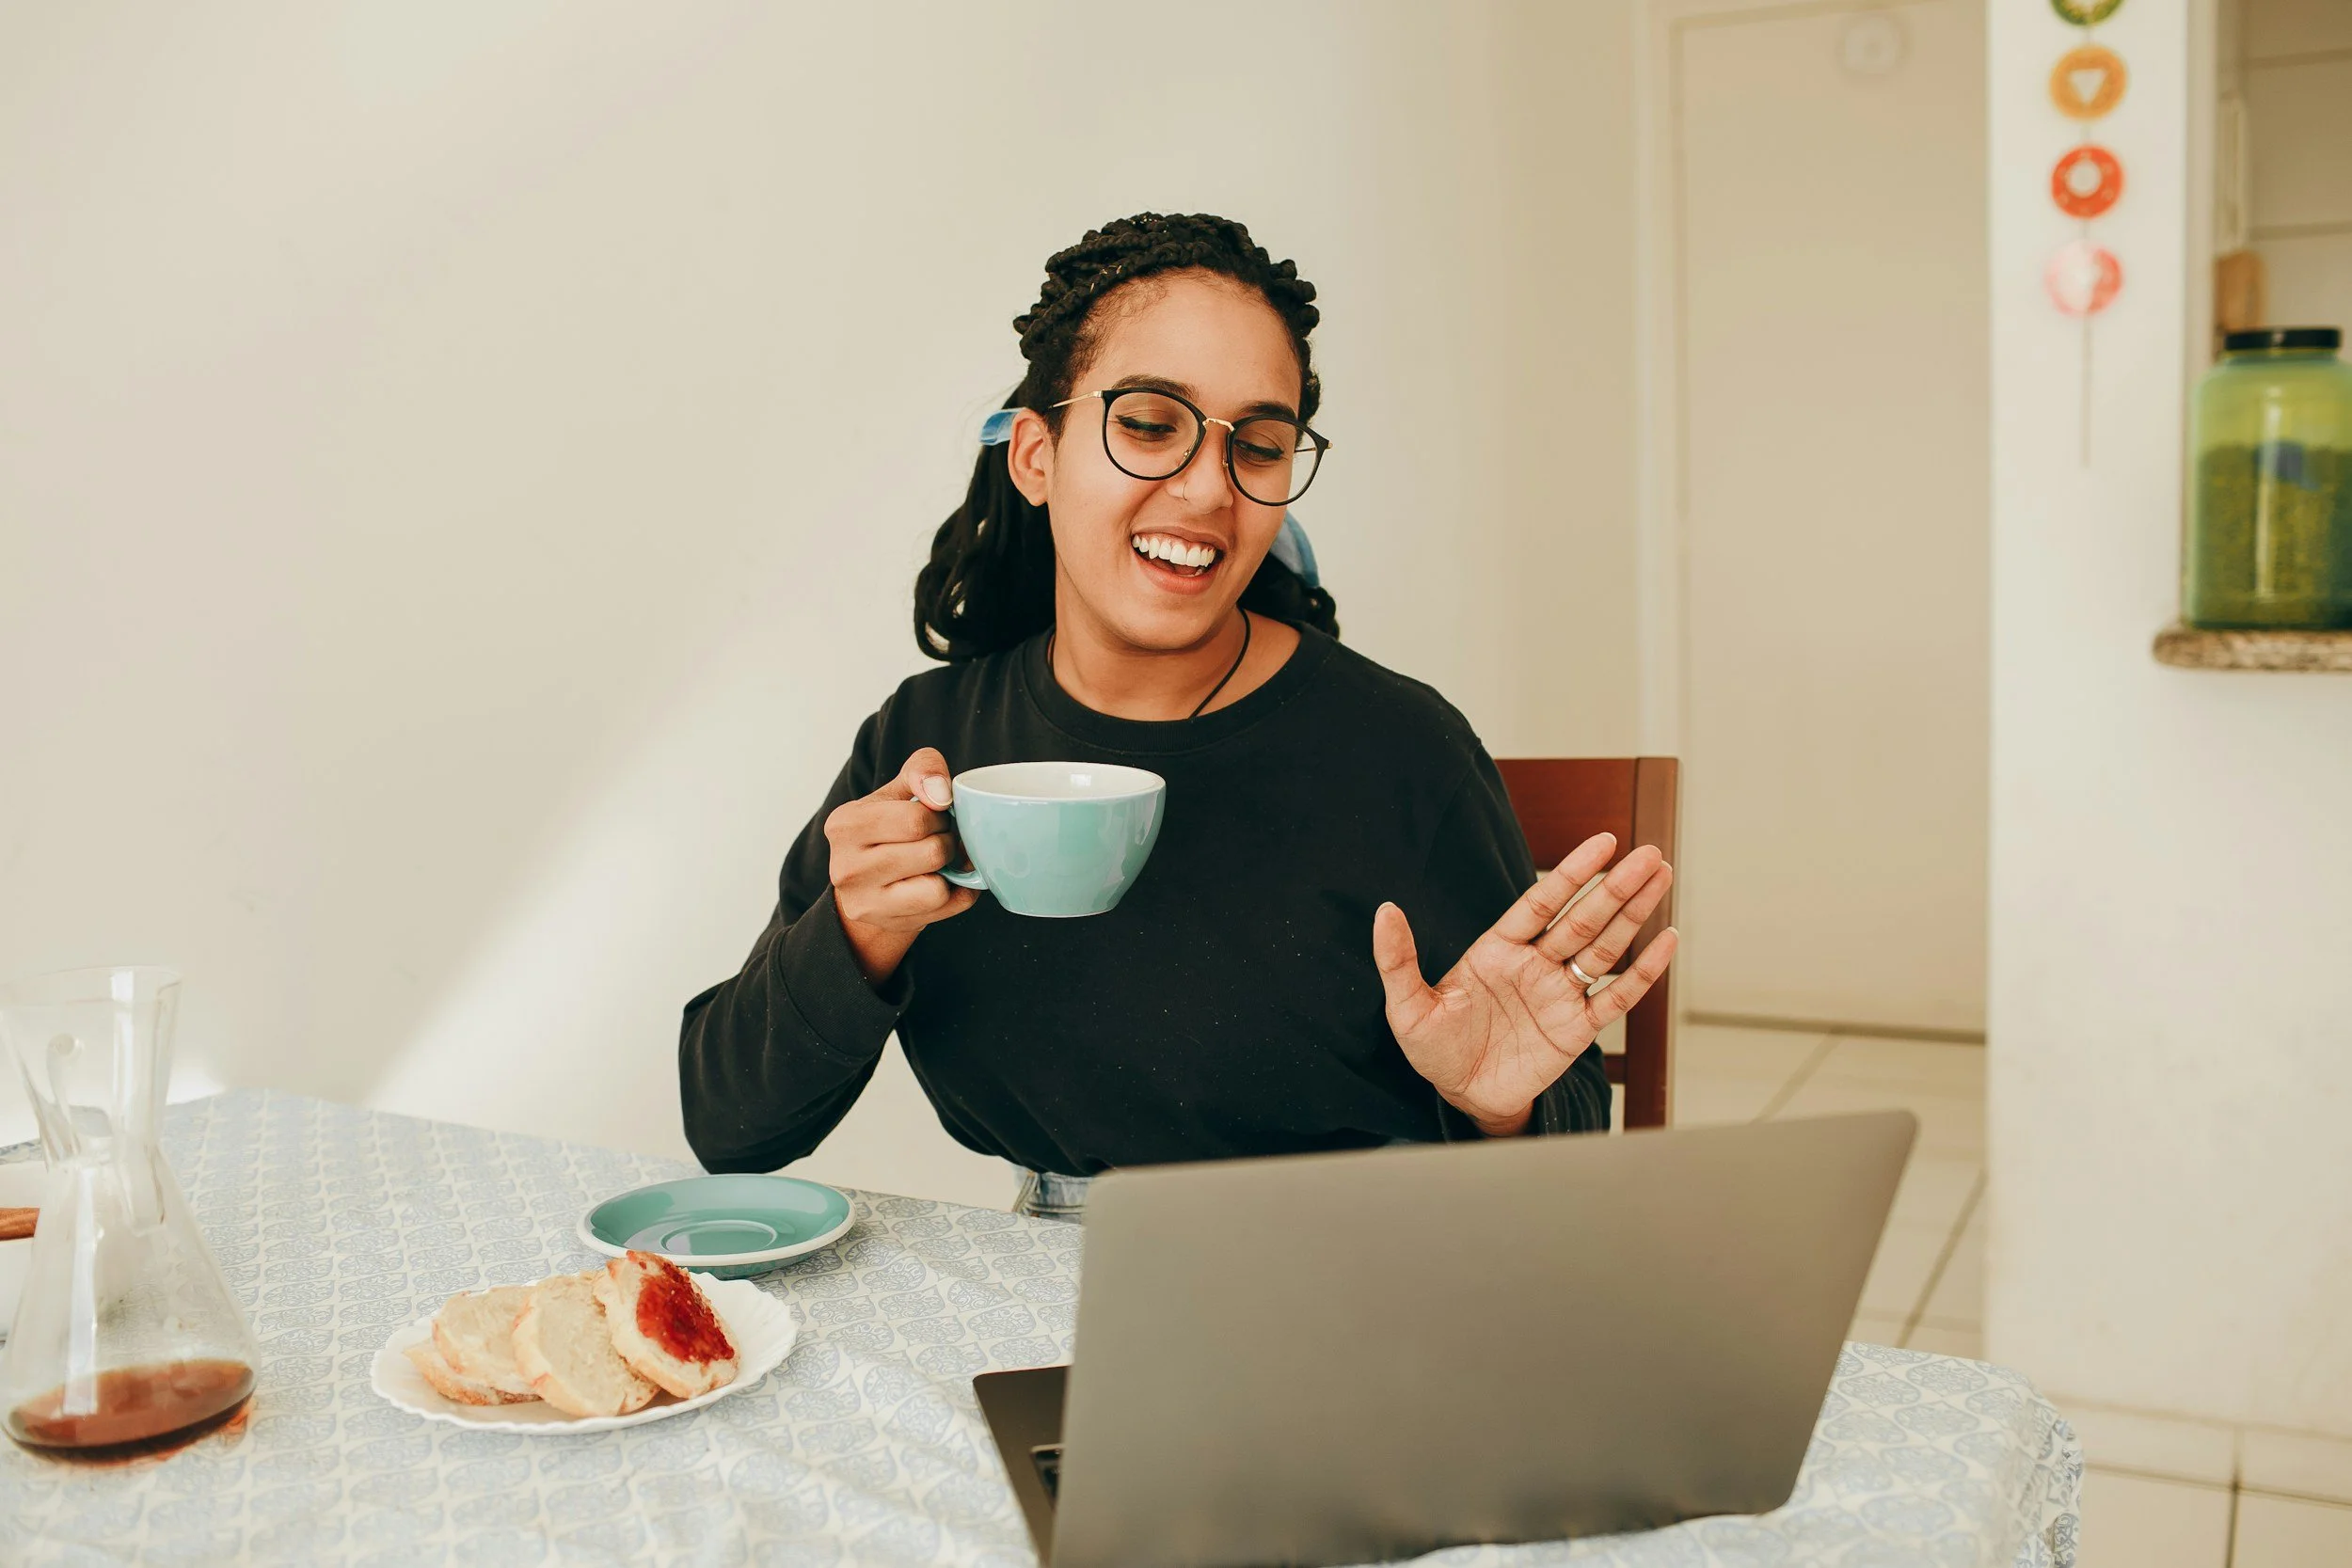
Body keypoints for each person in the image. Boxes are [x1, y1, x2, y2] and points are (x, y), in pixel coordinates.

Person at [679, 213, 1677, 1219]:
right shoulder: (925, 745)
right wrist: (850, 934)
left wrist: (1489, 1106)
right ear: (1036, 454)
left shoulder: (1399, 751)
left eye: (1260, 443)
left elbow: (1561, 1128)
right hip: (1040, 1275)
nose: (1208, 487)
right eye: (1151, 423)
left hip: (1358, 1276)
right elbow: (730, 1129)